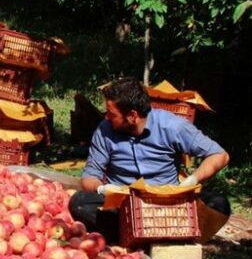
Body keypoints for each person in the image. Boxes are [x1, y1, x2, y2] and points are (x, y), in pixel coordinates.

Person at [70, 77, 231, 244]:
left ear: (132, 116)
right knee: (79, 202)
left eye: (112, 114)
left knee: (218, 204)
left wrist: (192, 180)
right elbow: (90, 175)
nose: (107, 118)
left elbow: (219, 155)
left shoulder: (171, 126)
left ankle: (154, 235)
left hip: (169, 207)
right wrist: (103, 188)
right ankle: (153, 237)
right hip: (124, 208)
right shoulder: (104, 130)